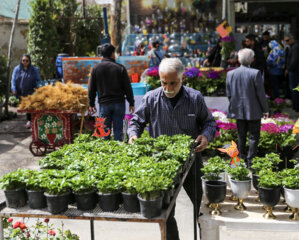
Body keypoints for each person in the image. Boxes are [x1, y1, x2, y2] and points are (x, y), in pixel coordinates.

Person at [127, 58, 216, 240]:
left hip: (191, 162)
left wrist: (206, 136)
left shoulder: (194, 98)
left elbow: (209, 122)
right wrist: (133, 134)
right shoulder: (151, 98)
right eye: (163, 83)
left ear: (182, 79)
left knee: (202, 210)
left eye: (173, 83)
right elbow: (136, 121)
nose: (168, 88)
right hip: (163, 166)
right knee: (165, 213)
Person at [226, 48, 269, 167]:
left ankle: (240, 159)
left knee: (241, 135)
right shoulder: (255, 73)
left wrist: (234, 104)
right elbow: (261, 94)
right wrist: (265, 109)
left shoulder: (230, 74)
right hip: (253, 110)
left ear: (238, 59)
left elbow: (229, 94)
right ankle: (251, 161)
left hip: (238, 110)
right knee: (254, 136)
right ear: (252, 59)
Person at [88, 43, 135, 141]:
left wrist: (91, 104)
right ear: (112, 54)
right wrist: (131, 102)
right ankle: (118, 153)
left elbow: (91, 88)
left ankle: (106, 153)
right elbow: (127, 87)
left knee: (104, 132)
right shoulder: (120, 68)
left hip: (104, 104)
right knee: (118, 130)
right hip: (119, 103)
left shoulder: (96, 69)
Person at [11, 54, 41, 128]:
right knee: (25, 107)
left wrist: (40, 88)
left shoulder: (34, 69)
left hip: (31, 91)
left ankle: (29, 121)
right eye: (23, 60)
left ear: (29, 61)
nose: (25, 62)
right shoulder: (17, 69)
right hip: (21, 91)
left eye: (27, 61)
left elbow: (39, 80)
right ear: (21, 61)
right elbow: (13, 80)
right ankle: (29, 120)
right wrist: (13, 88)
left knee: (29, 106)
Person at [284, 34, 299, 112]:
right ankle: (295, 105)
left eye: (287, 40)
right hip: (294, 71)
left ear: (292, 39)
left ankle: (295, 105)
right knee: (294, 88)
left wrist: (288, 69)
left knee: (294, 88)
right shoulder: (294, 47)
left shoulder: (295, 47)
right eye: (286, 41)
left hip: (295, 71)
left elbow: (294, 60)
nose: (286, 42)